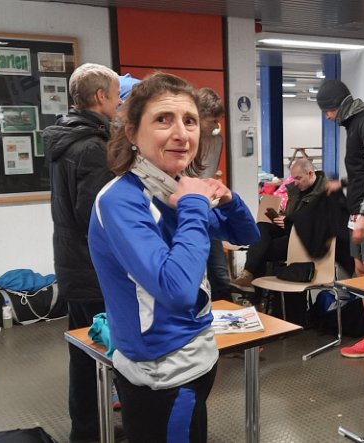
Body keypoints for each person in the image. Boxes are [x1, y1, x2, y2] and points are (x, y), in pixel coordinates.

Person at [88, 72, 260, 442]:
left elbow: (246, 236)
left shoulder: (174, 187)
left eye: (190, 121)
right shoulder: (120, 200)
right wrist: (195, 204)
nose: (182, 134)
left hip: (197, 357)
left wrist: (230, 200)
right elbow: (176, 289)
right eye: (163, 119)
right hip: (160, 375)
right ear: (132, 132)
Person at [43, 62, 121, 443]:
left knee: (84, 352)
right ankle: (92, 432)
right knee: (101, 351)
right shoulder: (92, 148)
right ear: (100, 96)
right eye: (117, 95)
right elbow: (97, 216)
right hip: (93, 268)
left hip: (74, 263)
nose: (120, 102)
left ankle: (89, 430)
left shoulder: (66, 139)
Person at [315, 79, 364, 358]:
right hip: (358, 212)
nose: (327, 117)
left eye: (327, 110)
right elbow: (363, 170)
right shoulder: (353, 125)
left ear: (337, 105)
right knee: (361, 275)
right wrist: (343, 183)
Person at [231, 158, 330, 287]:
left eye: (298, 178)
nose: (295, 183)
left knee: (262, 248)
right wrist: (283, 217)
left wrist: (291, 221)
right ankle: (249, 274)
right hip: (291, 229)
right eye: (293, 178)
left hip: (305, 238)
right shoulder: (296, 190)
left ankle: (255, 287)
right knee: (261, 227)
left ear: (310, 174)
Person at [186, 87, 234, 301]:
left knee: (220, 275)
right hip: (184, 212)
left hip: (207, 211)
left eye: (218, 120)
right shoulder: (182, 142)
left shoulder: (216, 140)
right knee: (193, 274)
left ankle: (228, 315)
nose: (216, 125)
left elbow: (208, 173)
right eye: (212, 120)